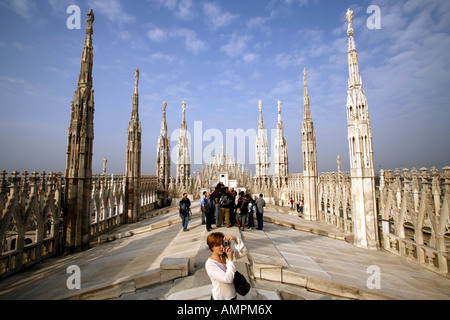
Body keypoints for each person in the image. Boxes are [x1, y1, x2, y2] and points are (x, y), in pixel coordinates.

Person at [205, 232, 248, 300]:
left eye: (222, 244)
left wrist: (235, 238)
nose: (222, 247)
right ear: (212, 247)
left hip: (233, 296)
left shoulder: (225, 255)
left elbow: (244, 252)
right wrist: (230, 259)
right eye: (218, 245)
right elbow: (228, 279)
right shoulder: (210, 264)